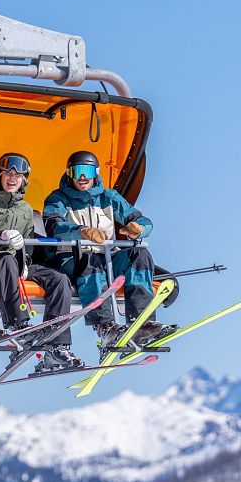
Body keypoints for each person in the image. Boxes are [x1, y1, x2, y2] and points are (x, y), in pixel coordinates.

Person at [42, 150, 174, 356]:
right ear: (69, 174)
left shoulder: (108, 197)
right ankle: (105, 327)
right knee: (91, 260)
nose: (82, 177)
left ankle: (142, 323)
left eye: (86, 171)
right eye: (77, 171)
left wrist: (138, 228)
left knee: (139, 254)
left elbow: (141, 219)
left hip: (108, 256)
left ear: (96, 172)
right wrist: (81, 232)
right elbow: (53, 225)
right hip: (74, 257)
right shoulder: (58, 198)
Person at [0, 153, 79, 368]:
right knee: (7, 258)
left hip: (17, 262)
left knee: (58, 279)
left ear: (24, 180)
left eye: (17, 176)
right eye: (8, 174)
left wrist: (26, 262)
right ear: (0, 175)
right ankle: (18, 325)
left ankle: (56, 342)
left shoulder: (26, 210)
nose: (12, 179)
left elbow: (27, 243)